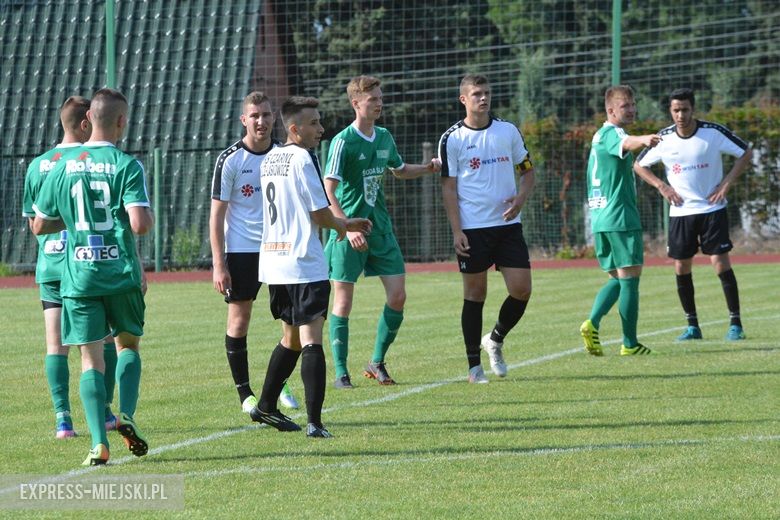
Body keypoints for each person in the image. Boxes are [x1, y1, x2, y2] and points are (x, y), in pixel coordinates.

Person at [32, 88, 153, 465]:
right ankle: (126, 414)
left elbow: (40, 225)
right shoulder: (127, 165)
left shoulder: (62, 166)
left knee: (89, 360)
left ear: (90, 120)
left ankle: (98, 444)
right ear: (121, 121)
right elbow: (140, 225)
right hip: (120, 272)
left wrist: (73, 220)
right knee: (127, 346)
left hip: (79, 277)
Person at [250, 96, 372, 437]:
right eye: (314, 123)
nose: (321, 128)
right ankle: (315, 423)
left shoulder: (271, 158)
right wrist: (344, 226)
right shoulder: (303, 158)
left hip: (274, 261)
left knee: (290, 338)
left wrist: (340, 223)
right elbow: (318, 213)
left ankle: (265, 406)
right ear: (294, 128)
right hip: (302, 260)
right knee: (310, 340)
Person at [324, 75, 440, 389]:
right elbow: (328, 190)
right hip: (348, 233)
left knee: (398, 296)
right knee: (343, 302)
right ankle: (340, 373)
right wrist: (346, 227)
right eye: (372, 99)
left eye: (380, 97)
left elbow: (399, 170)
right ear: (355, 103)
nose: (379, 103)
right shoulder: (342, 141)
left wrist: (427, 169)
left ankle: (376, 361)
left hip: (381, 230)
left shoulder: (385, 136)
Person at [22, 96, 119, 439]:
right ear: (85, 123)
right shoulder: (91, 162)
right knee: (102, 342)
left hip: (50, 266)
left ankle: (63, 419)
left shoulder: (38, 166)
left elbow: (35, 224)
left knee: (55, 345)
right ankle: (104, 411)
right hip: (86, 266)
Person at [438, 74, 535, 384]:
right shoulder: (452, 138)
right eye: (477, 93)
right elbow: (448, 188)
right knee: (475, 294)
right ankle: (474, 367)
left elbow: (527, 171)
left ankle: (494, 338)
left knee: (521, 290)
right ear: (463, 99)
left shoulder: (508, 131)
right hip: (473, 228)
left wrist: (520, 198)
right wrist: (457, 231)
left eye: (487, 93)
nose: (483, 98)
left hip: (507, 226)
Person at [634, 88, 753, 341]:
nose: (681, 115)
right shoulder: (663, 138)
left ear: (693, 109)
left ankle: (735, 324)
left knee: (720, 262)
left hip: (712, 209)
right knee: (681, 266)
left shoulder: (713, 132)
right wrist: (662, 187)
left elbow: (745, 152)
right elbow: (638, 165)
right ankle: (692, 326)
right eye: (676, 110)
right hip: (681, 213)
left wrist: (726, 184)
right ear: (670, 111)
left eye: (685, 110)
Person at [209, 91, 299, 417]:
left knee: (291, 324)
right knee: (240, 319)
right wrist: (219, 264)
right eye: (255, 116)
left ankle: (277, 381)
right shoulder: (231, 160)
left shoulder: (285, 155)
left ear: (274, 118)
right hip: (242, 250)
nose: (261, 121)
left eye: (266, 115)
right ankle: (245, 394)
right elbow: (216, 216)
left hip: (280, 249)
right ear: (243, 120)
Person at [580, 85, 661, 356]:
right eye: (626, 105)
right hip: (620, 217)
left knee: (618, 278)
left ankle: (592, 323)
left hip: (601, 218)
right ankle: (629, 343)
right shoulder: (613, 133)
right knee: (630, 280)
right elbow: (626, 143)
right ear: (611, 110)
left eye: (633, 104)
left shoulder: (599, 135)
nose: (632, 109)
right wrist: (644, 139)